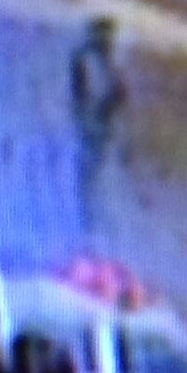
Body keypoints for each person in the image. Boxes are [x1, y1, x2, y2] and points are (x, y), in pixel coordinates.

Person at [70, 16, 128, 230]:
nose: (111, 41)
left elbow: (119, 93)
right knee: (88, 168)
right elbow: (86, 95)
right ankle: (86, 217)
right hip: (92, 123)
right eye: (107, 36)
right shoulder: (89, 59)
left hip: (99, 124)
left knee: (94, 169)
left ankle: (90, 215)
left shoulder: (105, 59)